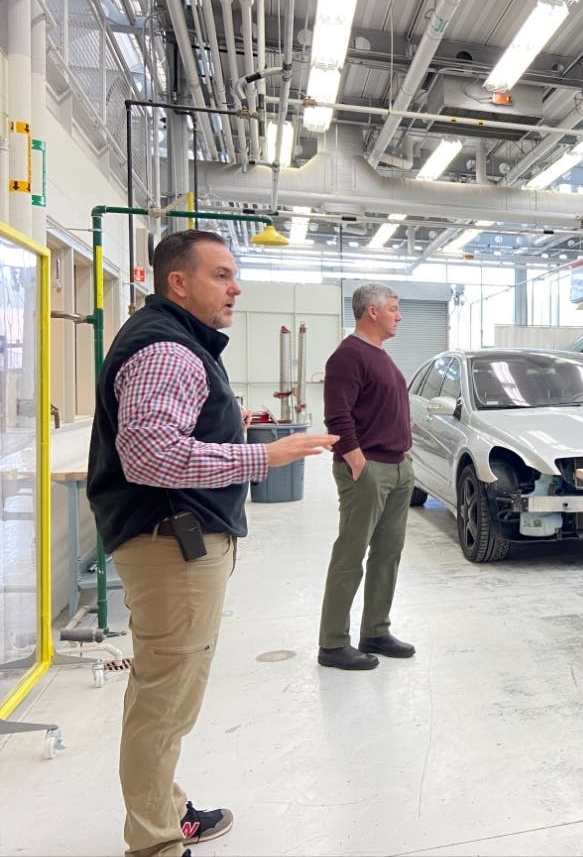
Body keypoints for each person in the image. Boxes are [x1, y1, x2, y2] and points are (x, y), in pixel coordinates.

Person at [87, 229, 337, 857]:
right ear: (179, 282)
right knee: (166, 697)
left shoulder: (172, 340)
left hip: (175, 538)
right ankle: (154, 843)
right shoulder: (168, 350)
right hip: (171, 543)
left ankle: (166, 811)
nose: (236, 287)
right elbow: (150, 456)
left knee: (165, 689)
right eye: (221, 275)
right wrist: (261, 454)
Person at [317, 282, 415, 671]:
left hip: (397, 467)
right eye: (393, 308)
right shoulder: (348, 356)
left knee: (388, 554)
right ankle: (333, 643)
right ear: (371, 312)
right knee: (351, 555)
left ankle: (375, 630)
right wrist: (357, 461)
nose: (399, 315)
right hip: (368, 468)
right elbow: (337, 415)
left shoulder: (381, 356)